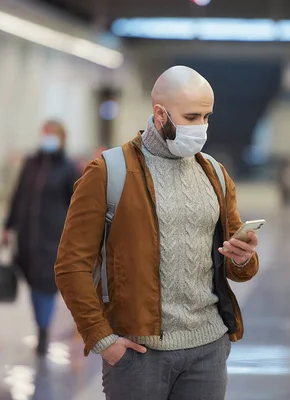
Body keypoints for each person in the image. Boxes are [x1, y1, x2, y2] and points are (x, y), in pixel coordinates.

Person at [54, 66, 260, 400]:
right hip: (139, 355)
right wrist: (102, 340)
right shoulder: (108, 172)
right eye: (191, 117)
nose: (201, 128)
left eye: (207, 117)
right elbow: (70, 265)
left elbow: (238, 266)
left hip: (207, 350)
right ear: (160, 113)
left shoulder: (215, 175)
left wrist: (243, 256)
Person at [3, 119, 80, 356]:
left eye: (51, 134)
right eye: (44, 132)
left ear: (61, 138)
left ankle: (44, 330)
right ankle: (41, 324)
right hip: (27, 236)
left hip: (53, 237)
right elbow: (18, 195)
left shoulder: (68, 168)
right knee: (34, 284)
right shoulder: (30, 163)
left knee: (46, 284)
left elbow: (78, 202)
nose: (46, 137)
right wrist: (7, 226)